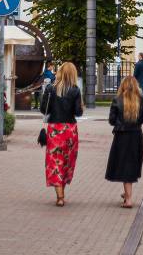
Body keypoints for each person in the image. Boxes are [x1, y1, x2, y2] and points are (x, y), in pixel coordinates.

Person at [40, 61, 84, 207]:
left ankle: (60, 197)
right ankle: (61, 193)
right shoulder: (75, 90)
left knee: (55, 161)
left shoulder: (51, 89)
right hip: (70, 129)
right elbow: (78, 112)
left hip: (54, 129)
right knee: (67, 162)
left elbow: (42, 109)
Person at [106, 76, 143, 208]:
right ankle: (127, 194)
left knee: (124, 165)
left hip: (121, 136)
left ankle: (128, 199)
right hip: (136, 136)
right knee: (131, 164)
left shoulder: (117, 100)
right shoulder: (140, 100)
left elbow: (112, 120)